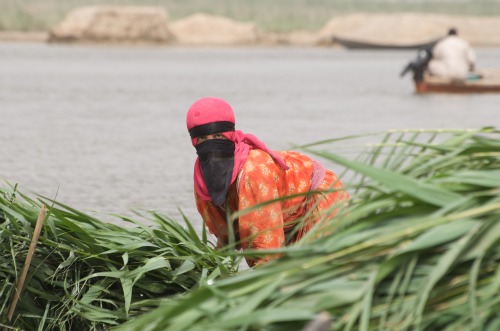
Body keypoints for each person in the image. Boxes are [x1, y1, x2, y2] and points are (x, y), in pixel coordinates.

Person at [186, 97, 349, 267]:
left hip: (318, 199)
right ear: (194, 142)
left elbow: (266, 246)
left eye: (218, 135)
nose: (211, 144)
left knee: (315, 273)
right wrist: (206, 266)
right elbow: (228, 236)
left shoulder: (253, 170)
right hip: (284, 217)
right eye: (203, 139)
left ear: (230, 135)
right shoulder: (202, 179)